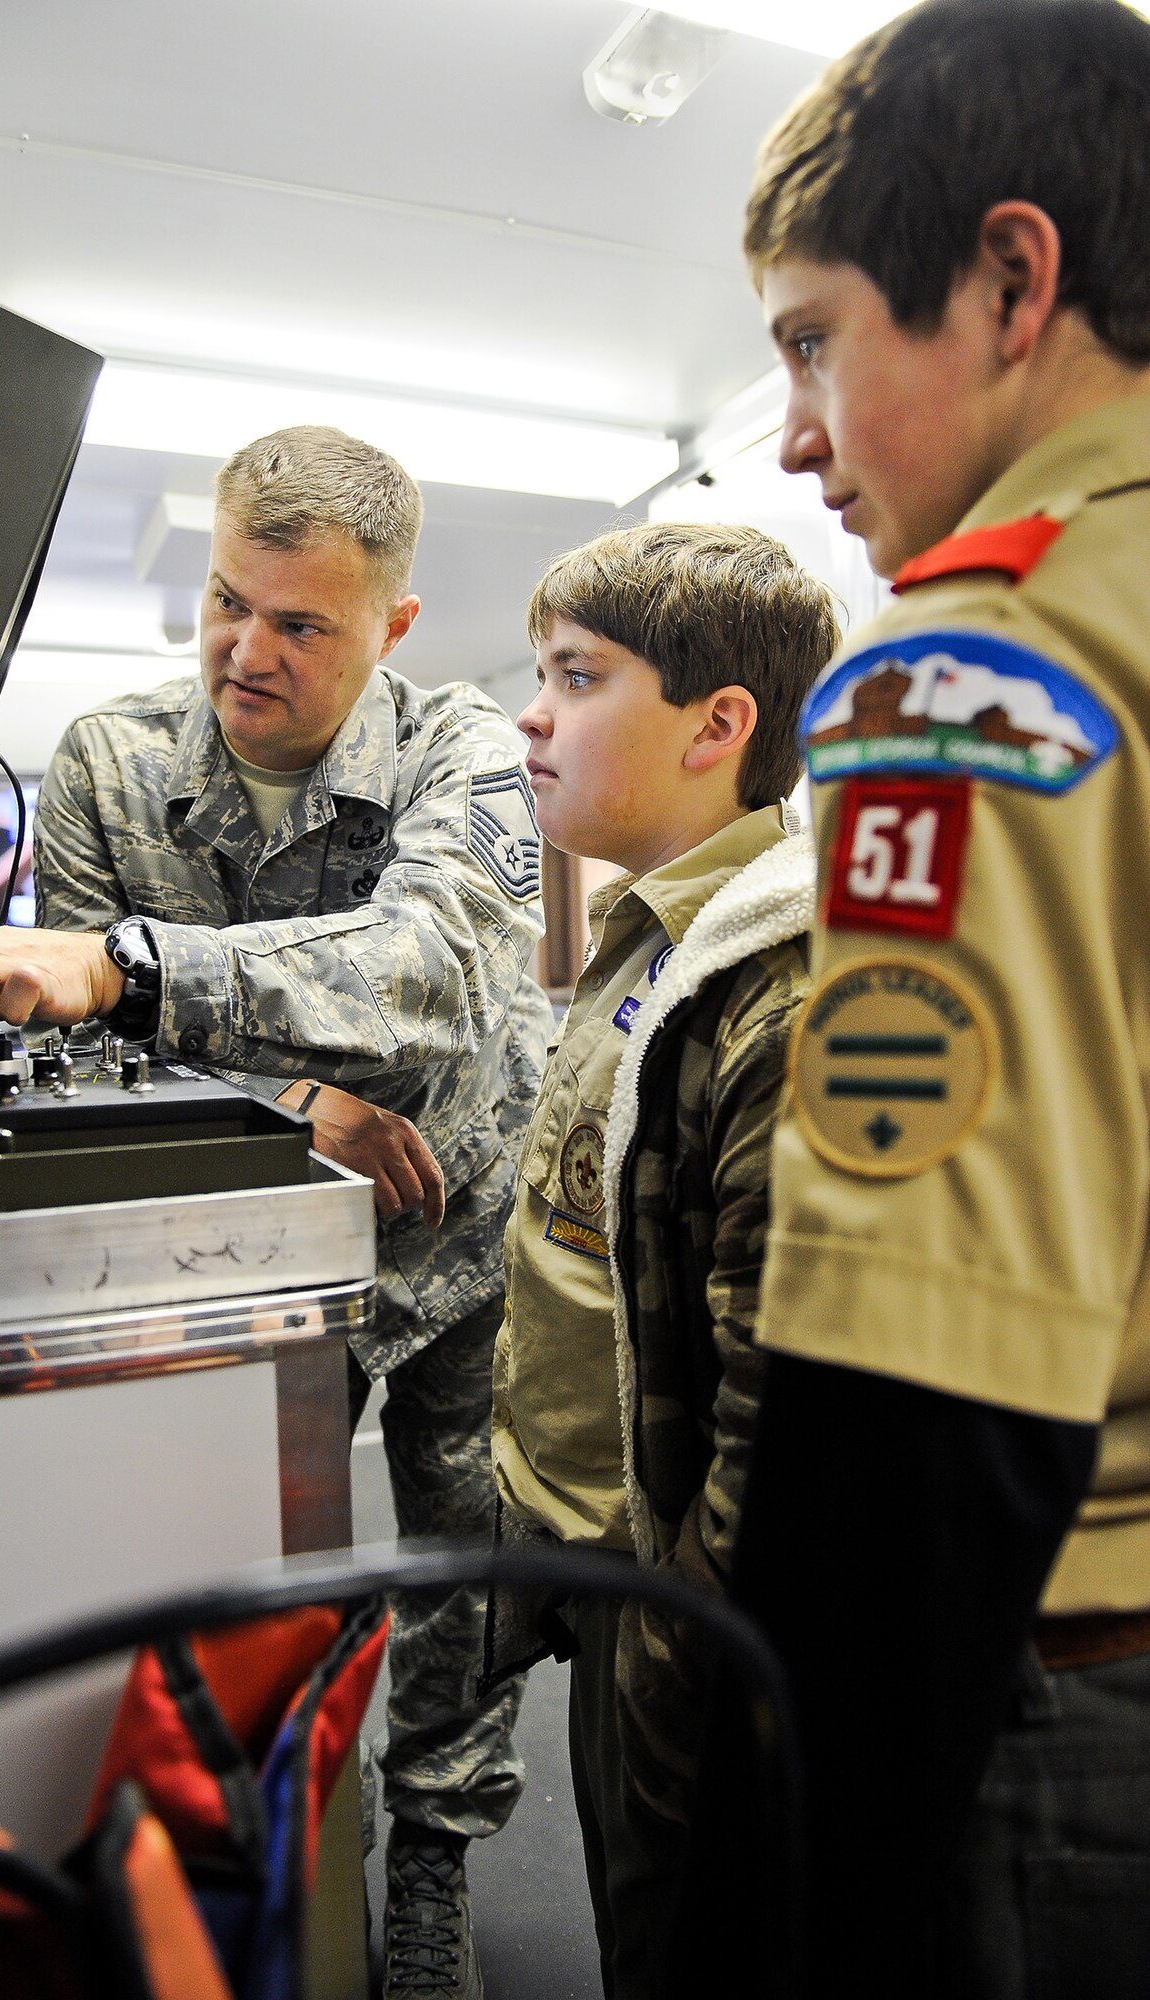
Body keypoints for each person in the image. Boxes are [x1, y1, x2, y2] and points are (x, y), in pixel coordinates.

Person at [0, 424, 553, 2000]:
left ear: (390, 626)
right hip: (244, 1252)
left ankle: (438, 1864)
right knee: (251, 1580)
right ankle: (282, 1859)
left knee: (461, 1575)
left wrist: (140, 969)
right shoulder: (115, 758)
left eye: (302, 623)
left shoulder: (464, 751)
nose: (248, 651)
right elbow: (64, 1051)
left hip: (457, 1235)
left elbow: (432, 972)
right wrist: (289, 1100)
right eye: (227, 602)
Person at [677, 4, 1150, 1995]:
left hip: (1052, 1706)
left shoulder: (971, 672)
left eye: (813, 336)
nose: (793, 431)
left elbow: (918, 1397)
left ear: (1010, 279)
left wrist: (794, 1869)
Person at [484, 522, 838, 1999]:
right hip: (602, 1573)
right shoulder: (646, 938)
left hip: (680, 1620)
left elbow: (779, 1417)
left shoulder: (784, 984)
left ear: (718, 725)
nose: (533, 711)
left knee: (688, 1944)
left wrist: (678, 1677)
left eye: (579, 675)